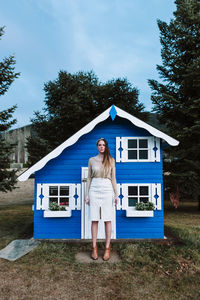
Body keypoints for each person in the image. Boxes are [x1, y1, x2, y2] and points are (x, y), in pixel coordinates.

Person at [85, 138, 118, 261]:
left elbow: (113, 178)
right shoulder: (91, 160)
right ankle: (94, 248)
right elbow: (88, 178)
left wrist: (116, 194)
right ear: (97, 146)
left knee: (107, 219)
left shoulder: (111, 160)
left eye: (103, 145)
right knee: (94, 219)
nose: (101, 147)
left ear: (106, 146)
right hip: (94, 189)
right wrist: (86, 194)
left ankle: (107, 249)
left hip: (107, 189)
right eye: (99, 145)